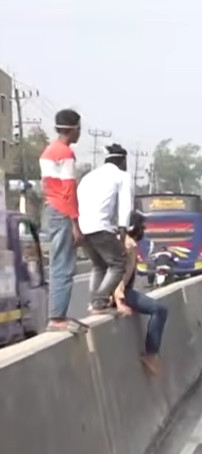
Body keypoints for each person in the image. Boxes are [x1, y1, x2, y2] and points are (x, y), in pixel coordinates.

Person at [40, 108, 83, 331]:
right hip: (63, 210)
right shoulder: (65, 154)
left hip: (51, 209)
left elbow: (45, 186)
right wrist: (76, 223)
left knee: (57, 262)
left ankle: (56, 315)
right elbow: (69, 190)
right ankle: (57, 318)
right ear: (73, 129)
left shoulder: (47, 151)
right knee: (65, 266)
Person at [77, 143, 133, 313]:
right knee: (118, 264)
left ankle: (93, 303)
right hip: (101, 227)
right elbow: (126, 206)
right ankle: (100, 300)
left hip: (83, 228)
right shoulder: (122, 176)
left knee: (99, 265)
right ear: (122, 161)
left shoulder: (89, 177)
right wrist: (123, 231)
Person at [112, 210, 168, 375]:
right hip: (119, 293)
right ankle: (151, 354)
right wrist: (119, 300)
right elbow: (119, 274)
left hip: (117, 292)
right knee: (160, 310)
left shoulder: (119, 241)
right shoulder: (129, 245)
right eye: (142, 227)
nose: (143, 230)